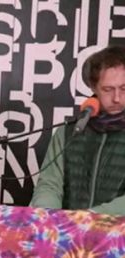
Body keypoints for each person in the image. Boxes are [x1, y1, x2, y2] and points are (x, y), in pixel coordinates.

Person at [31, 45, 125, 214]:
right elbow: (49, 185)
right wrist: (48, 218)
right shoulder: (68, 133)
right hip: (69, 234)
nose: (117, 98)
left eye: (124, 88)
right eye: (108, 89)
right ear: (93, 88)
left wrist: (89, 218)